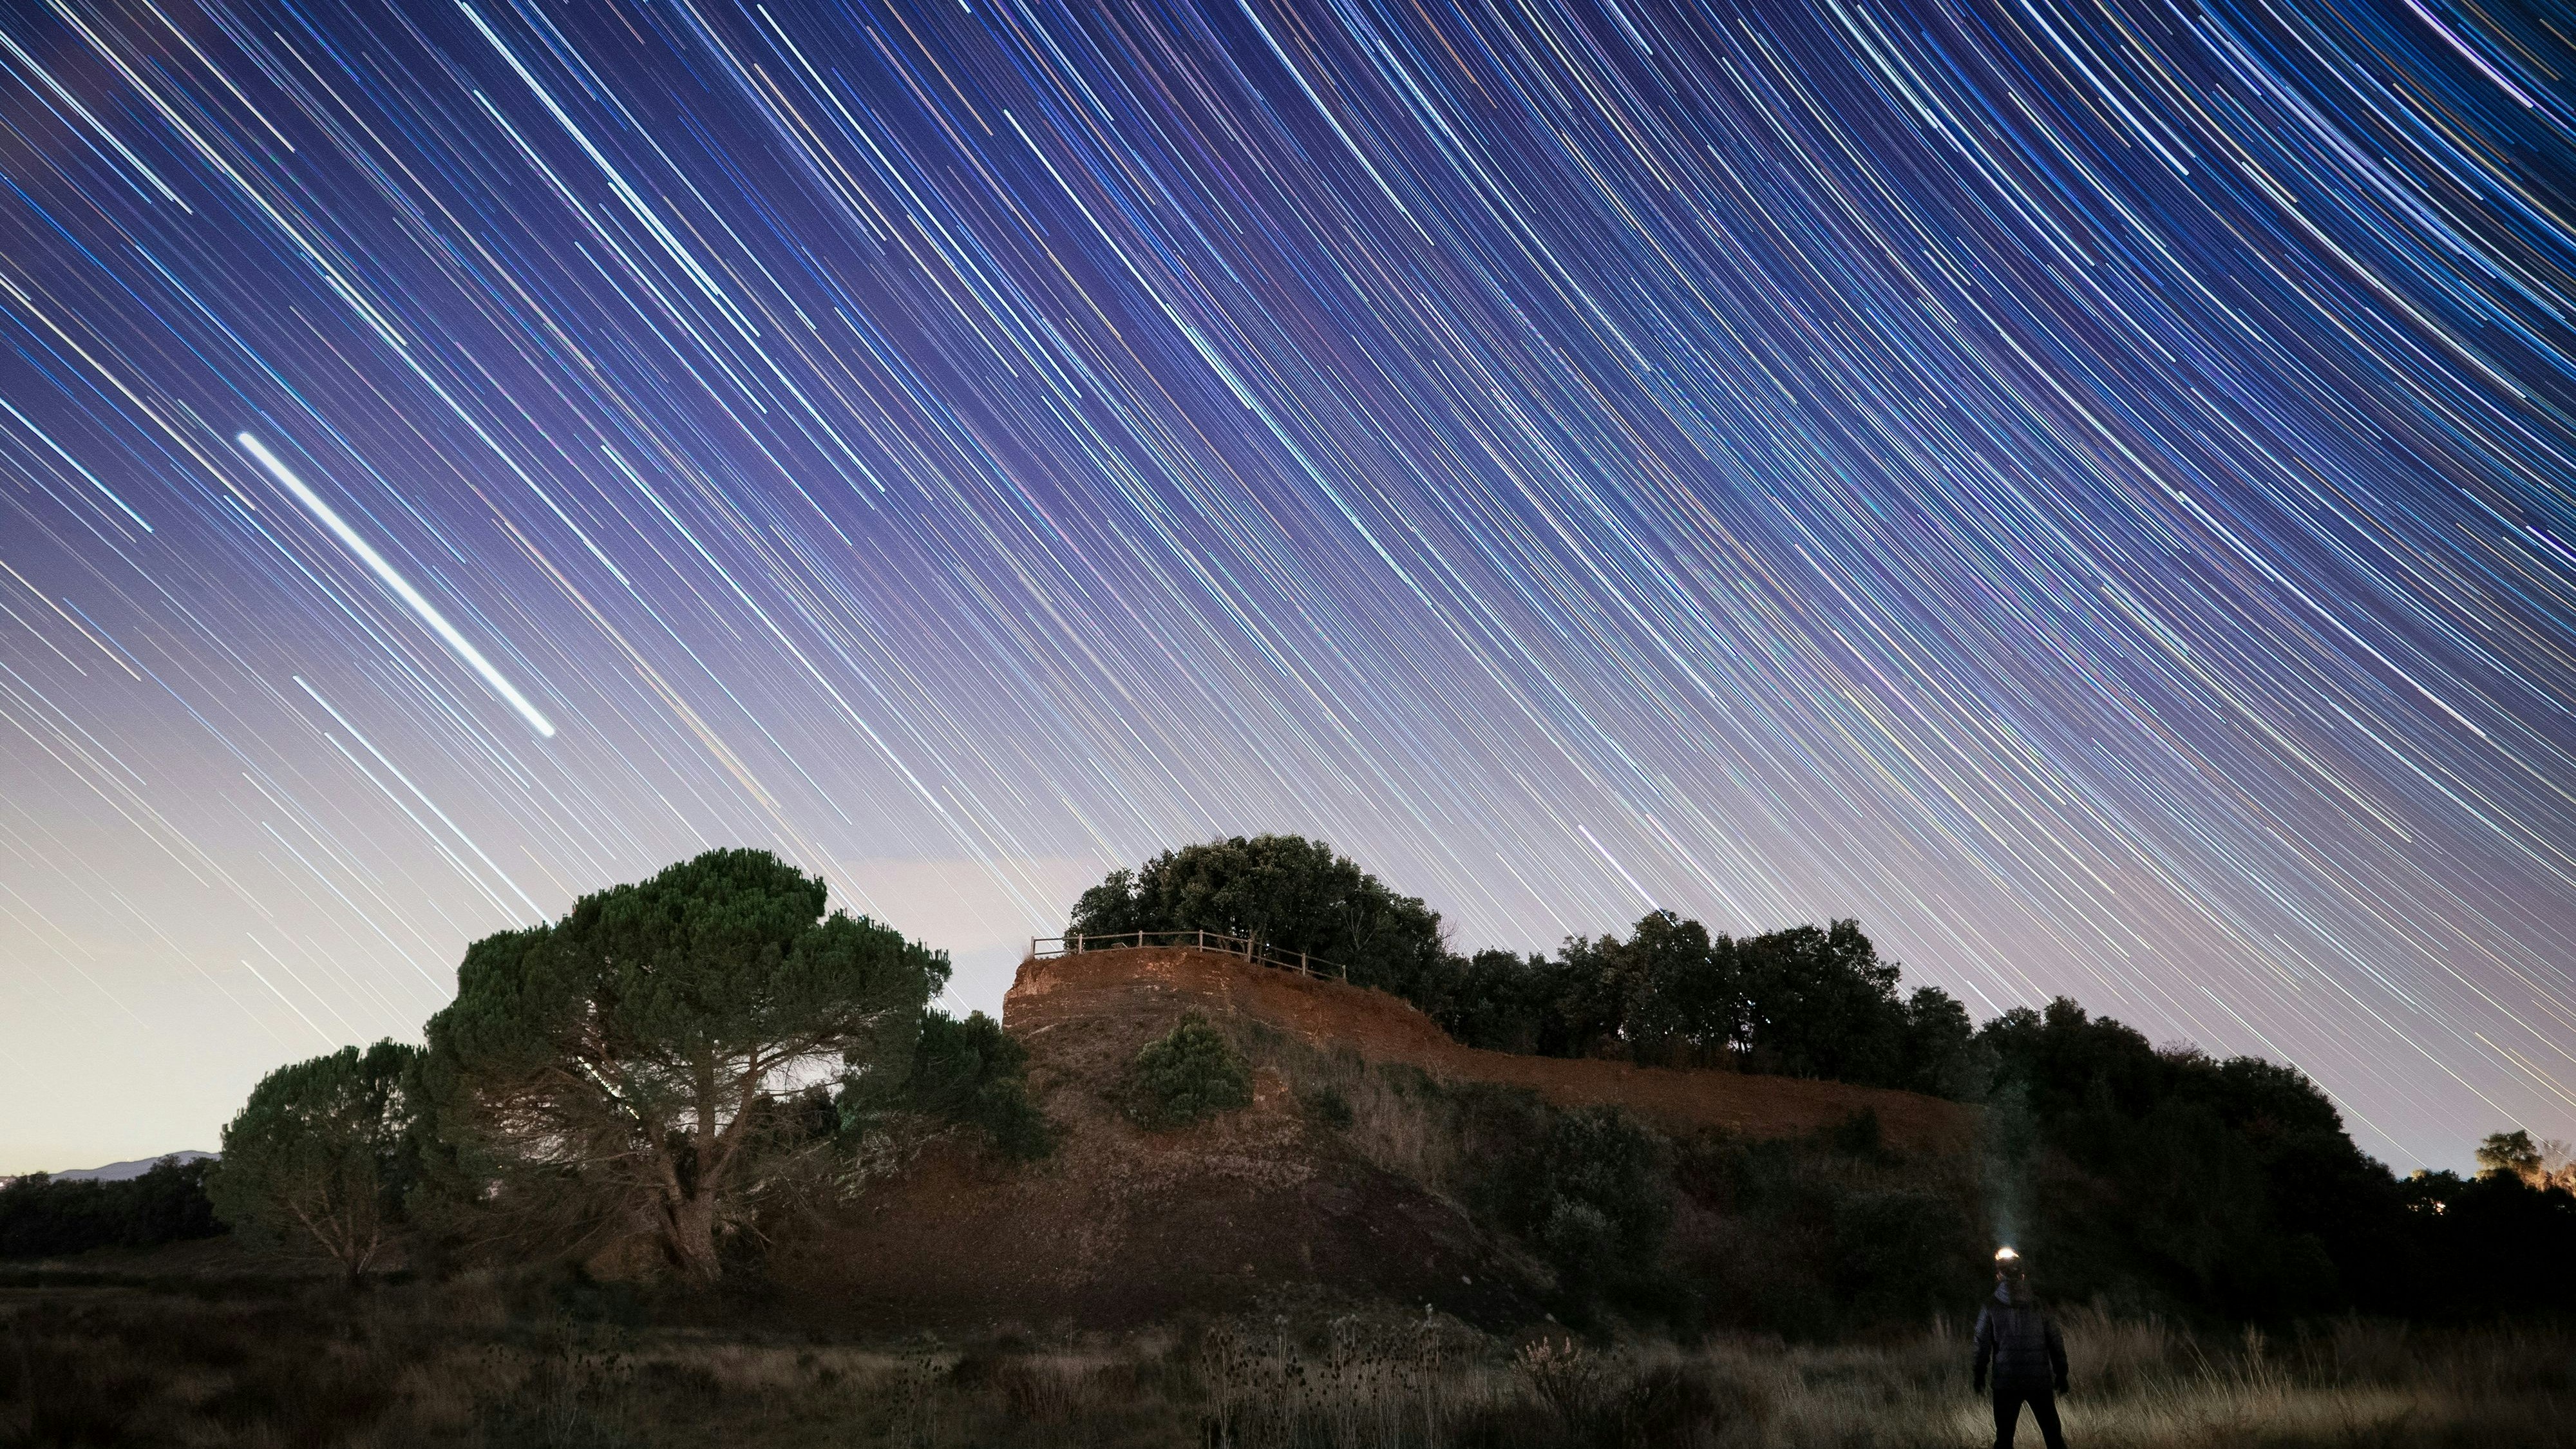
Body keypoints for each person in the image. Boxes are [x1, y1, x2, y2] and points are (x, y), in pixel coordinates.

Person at [1972, 1247, 2069, 1449]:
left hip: (2006, 1381)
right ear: (2023, 1276)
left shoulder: (1990, 1306)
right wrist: (2061, 1374)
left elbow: (1981, 1344)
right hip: (2039, 1379)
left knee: (2004, 1439)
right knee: (2054, 1438)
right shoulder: (2039, 1305)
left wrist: (1979, 1375)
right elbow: (2055, 1341)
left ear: (1999, 1276)